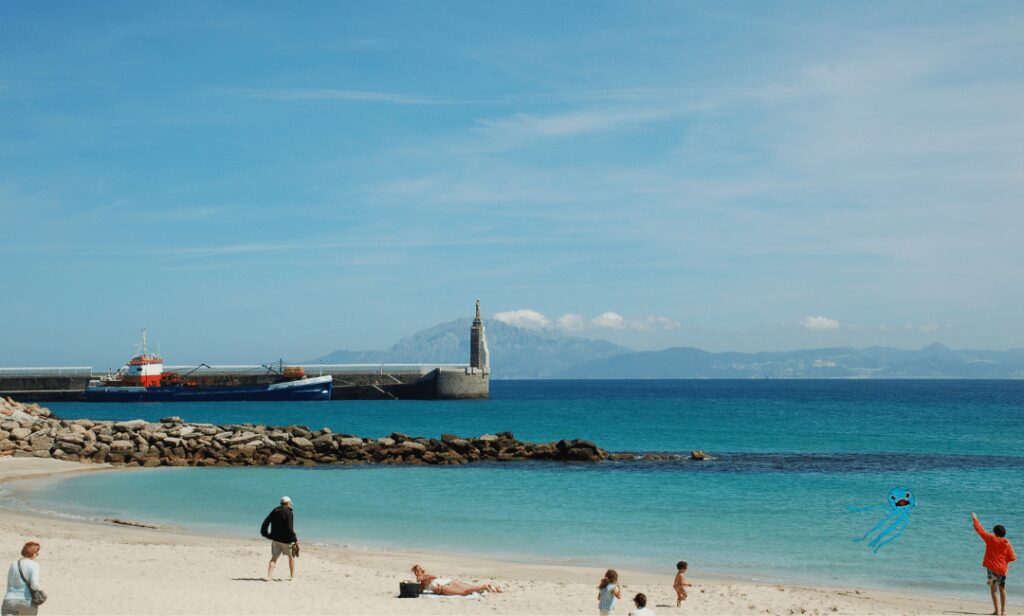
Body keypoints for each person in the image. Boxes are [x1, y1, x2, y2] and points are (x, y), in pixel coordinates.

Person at [973, 512, 1016, 616]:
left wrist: (975, 519)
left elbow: (980, 530)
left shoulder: (990, 539)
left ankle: (996, 611)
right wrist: (1004, 563)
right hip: (1002, 570)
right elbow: (1012, 558)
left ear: (995, 532)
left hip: (991, 569)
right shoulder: (1007, 543)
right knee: (1002, 589)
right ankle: (1003, 611)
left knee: (993, 590)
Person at [261, 496, 298, 582]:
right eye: (290, 503)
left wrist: (265, 533)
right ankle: (292, 577)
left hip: (276, 539)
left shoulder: (275, 510)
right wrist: (295, 539)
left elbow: (266, 522)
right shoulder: (289, 512)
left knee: (274, 558)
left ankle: (269, 577)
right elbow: (290, 528)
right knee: (291, 558)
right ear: (288, 503)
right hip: (287, 540)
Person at [410, 564, 502, 595]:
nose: (417, 573)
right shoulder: (422, 579)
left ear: (421, 571)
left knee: (464, 592)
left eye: (418, 570)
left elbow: (434, 577)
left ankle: (484, 587)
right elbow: (422, 591)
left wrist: (423, 577)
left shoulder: (425, 576)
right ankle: (492, 589)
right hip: (448, 582)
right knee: (470, 588)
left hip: (443, 587)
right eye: (416, 571)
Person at [3, 542, 41, 616]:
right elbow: (34, 585)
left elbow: (9, 584)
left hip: (10, 600)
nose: (36, 555)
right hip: (27, 601)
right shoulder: (34, 565)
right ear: (33, 553)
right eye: (37, 553)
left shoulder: (13, 564)